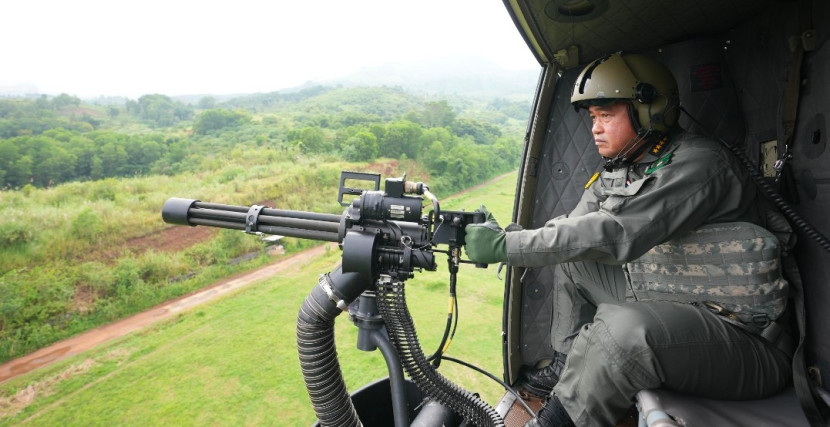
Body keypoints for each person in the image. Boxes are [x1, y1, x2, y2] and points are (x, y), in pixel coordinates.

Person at [464, 52, 793, 426]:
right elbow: (574, 231)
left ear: (651, 110)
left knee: (622, 331)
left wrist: (504, 249)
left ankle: (557, 420)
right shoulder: (627, 165)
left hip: (744, 340)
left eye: (606, 115)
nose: (596, 129)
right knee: (573, 257)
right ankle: (571, 367)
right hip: (680, 306)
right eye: (592, 118)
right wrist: (506, 236)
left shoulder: (700, 164)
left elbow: (615, 233)